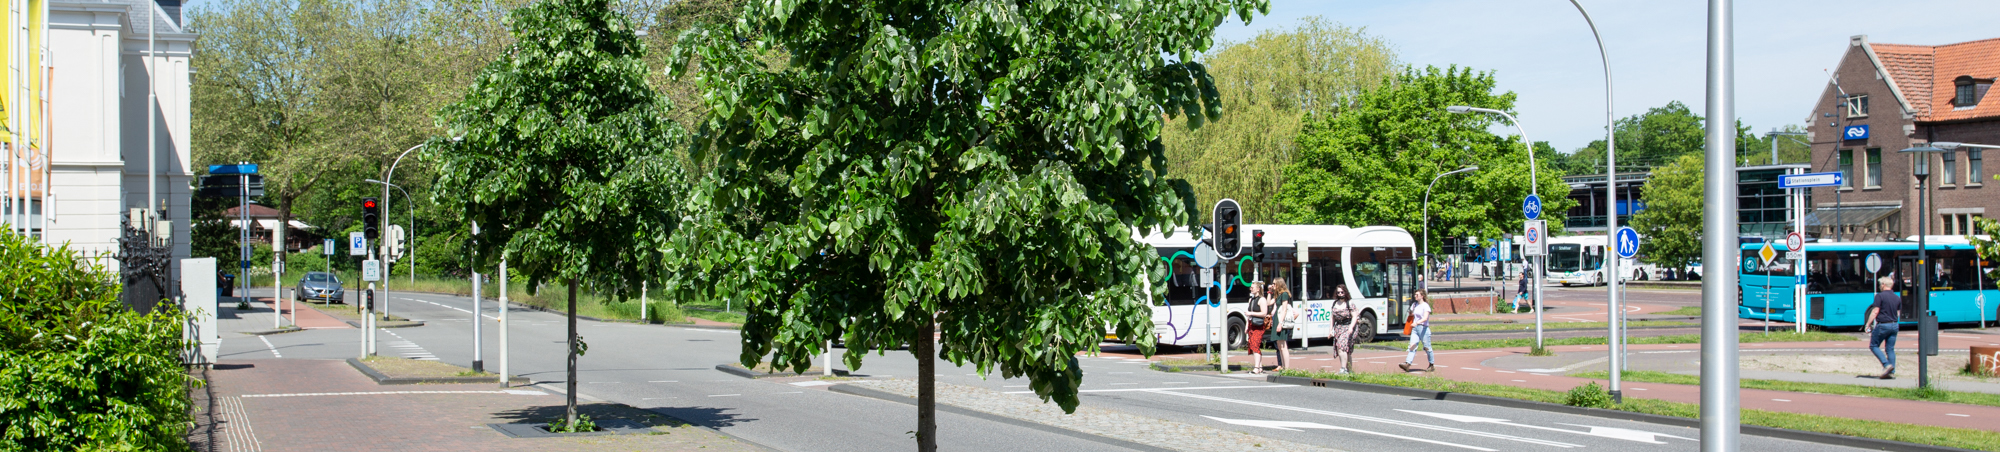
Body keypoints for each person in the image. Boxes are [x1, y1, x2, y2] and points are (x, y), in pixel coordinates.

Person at [1864, 276, 1901, 380]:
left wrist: (1868, 324)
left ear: (1884, 285)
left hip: (1883, 325)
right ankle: (1891, 372)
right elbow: (1898, 313)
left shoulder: (1880, 296)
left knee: (1873, 345)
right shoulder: (1897, 297)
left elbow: (1875, 311)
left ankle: (1886, 365)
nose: (1880, 286)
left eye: (1880, 284)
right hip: (1894, 324)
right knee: (1890, 349)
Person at [1399, 290, 1435, 372]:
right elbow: (1412, 314)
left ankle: (1431, 364)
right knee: (1412, 346)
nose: (1415, 296)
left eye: (1417, 294)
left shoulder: (1425, 306)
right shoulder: (1414, 305)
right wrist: (1411, 313)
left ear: (1422, 296)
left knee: (1427, 347)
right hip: (1415, 329)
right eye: (1415, 294)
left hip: (1423, 328)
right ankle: (1407, 364)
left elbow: (1425, 318)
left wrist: (1417, 323)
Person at [1328, 284, 1358, 373]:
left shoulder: (1349, 303)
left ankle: (1343, 369)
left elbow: (1354, 317)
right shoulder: (1335, 303)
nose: (1340, 294)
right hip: (1339, 328)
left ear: (1345, 292)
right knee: (1345, 350)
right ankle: (1349, 370)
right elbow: (1332, 318)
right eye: (1338, 292)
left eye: (1342, 292)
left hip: (1348, 327)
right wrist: (1330, 330)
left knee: (1342, 347)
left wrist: (1351, 328)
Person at [1270, 278, 1296, 372]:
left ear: (1279, 284)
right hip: (1276, 319)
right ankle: (1283, 366)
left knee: (1283, 345)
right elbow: (1269, 303)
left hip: (1281, 320)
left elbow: (1284, 309)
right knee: (1279, 345)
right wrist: (1269, 292)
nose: (1272, 285)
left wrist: (1280, 323)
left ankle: (1287, 368)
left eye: (1274, 283)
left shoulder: (1284, 294)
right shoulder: (1277, 294)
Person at [1246, 281, 1271, 374]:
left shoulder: (1262, 300)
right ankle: (1260, 367)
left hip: (1259, 326)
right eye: (1251, 287)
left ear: (1258, 289)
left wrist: (1251, 313)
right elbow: (1248, 315)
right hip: (1251, 325)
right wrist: (1246, 326)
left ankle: (1256, 367)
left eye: (1252, 287)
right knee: (1252, 345)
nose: (1250, 288)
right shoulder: (1251, 300)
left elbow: (1264, 313)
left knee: (1255, 345)